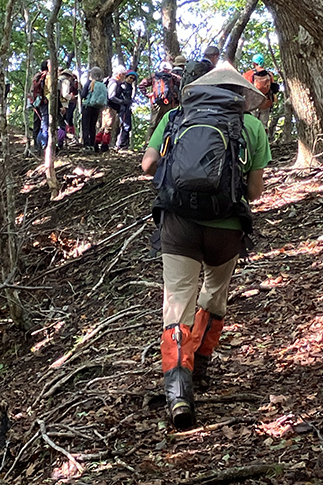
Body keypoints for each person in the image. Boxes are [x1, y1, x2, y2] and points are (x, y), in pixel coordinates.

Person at [140, 66, 272, 429]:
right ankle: (200, 366)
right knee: (214, 294)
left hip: (178, 223)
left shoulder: (174, 117)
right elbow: (255, 192)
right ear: (240, 93)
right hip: (226, 228)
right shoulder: (252, 126)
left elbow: (148, 165)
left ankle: (179, 393)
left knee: (177, 301)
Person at [139, 54, 185, 139]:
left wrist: (148, 94)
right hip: (169, 103)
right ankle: (165, 141)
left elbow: (141, 85)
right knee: (168, 121)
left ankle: (148, 142)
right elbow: (182, 82)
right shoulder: (172, 76)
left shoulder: (154, 76)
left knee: (153, 124)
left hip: (156, 102)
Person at [242, 54, 280, 130]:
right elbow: (273, 89)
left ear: (254, 63)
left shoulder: (249, 74)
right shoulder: (269, 75)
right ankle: (263, 136)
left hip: (253, 103)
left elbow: (244, 89)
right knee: (263, 125)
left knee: (251, 124)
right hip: (266, 102)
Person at [80, 66, 108, 151]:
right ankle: (92, 144)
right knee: (92, 126)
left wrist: (80, 92)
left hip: (88, 106)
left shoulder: (90, 83)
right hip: (96, 108)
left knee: (85, 126)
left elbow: (83, 95)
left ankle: (86, 145)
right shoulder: (102, 84)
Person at [29, 61, 50, 150]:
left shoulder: (37, 76)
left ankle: (36, 145)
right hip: (44, 102)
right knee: (45, 122)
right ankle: (44, 144)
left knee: (37, 122)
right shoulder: (47, 76)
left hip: (36, 102)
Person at [116, 70, 137, 150]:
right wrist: (123, 102)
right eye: (130, 78)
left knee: (128, 126)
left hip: (127, 108)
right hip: (123, 108)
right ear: (126, 77)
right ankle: (121, 145)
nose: (131, 80)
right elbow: (117, 96)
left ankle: (124, 144)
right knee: (125, 126)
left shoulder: (129, 87)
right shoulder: (122, 85)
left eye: (133, 79)